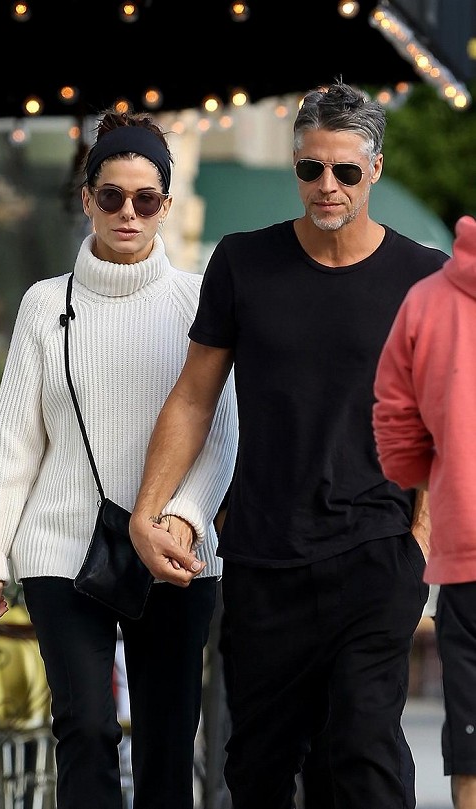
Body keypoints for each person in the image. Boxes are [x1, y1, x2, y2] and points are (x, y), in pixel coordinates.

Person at [128, 80, 450, 809]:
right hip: (264, 556)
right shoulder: (244, 261)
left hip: (376, 551)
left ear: (374, 168)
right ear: (294, 165)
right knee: (259, 767)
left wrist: (421, 539)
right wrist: (148, 510)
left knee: (362, 753)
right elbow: (193, 396)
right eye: (311, 167)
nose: (326, 185)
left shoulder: (422, 277)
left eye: (345, 170)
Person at [0, 108, 238, 809]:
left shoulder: (198, 299)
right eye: (111, 196)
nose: (128, 213)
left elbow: (222, 431)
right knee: (84, 726)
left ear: (165, 205)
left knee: (167, 740)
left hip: (172, 549)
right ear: (87, 198)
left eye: (146, 199)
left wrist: (183, 517)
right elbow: (15, 441)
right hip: (61, 544)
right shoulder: (42, 305)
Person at [373, 214, 476, 809]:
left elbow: (395, 420)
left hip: (467, 556)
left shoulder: (430, 298)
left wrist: (437, 483)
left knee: (471, 748)